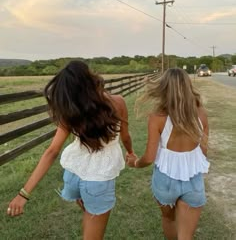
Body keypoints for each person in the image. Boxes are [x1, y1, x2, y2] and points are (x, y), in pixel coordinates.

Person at [7, 60, 134, 240]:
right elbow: (126, 137)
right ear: (90, 78)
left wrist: (24, 193)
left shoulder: (72, 112)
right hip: (98, 179)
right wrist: (130, 152)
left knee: (89, 217)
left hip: (73, 175)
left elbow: (52, 151)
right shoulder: (117, 102)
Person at [127, 68, 210, 240]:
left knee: (168, 218)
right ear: (188, 86)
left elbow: (149, 158)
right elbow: (203, 152)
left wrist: (134, 162)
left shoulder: (157, 117)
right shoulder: (201, 114)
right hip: (193, 179)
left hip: (165, 180)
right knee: (185, 236)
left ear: (164, 88)